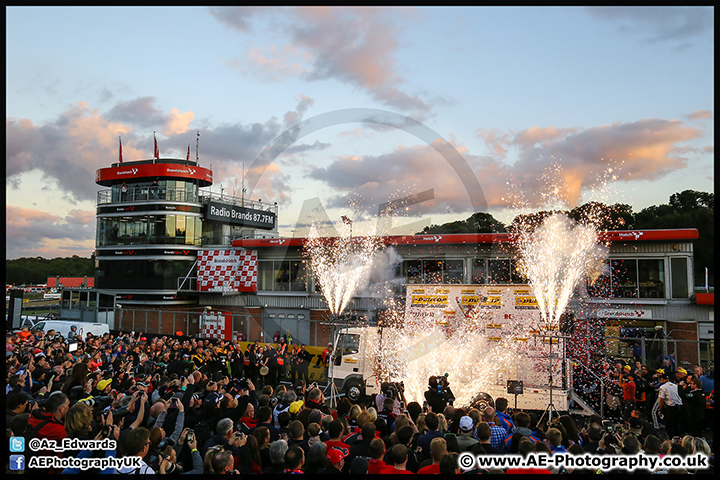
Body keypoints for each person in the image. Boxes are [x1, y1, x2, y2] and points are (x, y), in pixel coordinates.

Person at [657, 372, 684, 439]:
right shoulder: (675, 386)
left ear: (662, 379)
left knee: (669, 425)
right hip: (679, 406)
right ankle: (679, 437)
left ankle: (672, 439)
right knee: (677, 424)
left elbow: (662, 399)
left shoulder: (663, 387)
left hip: (671, 407)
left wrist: (660, 409)